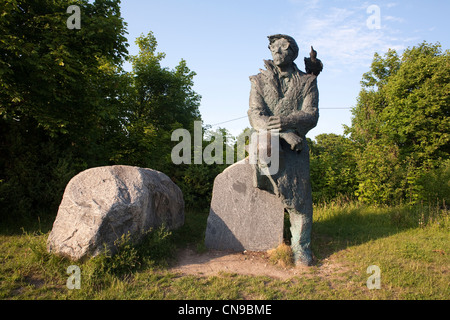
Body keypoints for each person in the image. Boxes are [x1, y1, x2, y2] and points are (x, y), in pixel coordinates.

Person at [247, 34, 320, 266]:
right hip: (269, 141)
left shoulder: (307, 81)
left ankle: (301, 248)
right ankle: (266, 180)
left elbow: (311, 115)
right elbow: (255, 115)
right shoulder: (258, 81)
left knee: (301, 199)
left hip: (296, 146)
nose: (277, 51)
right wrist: (282, 132)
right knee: (263, 145)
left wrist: (288, 124)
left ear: (293, 53)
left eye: (283, 47)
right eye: (273, 47)